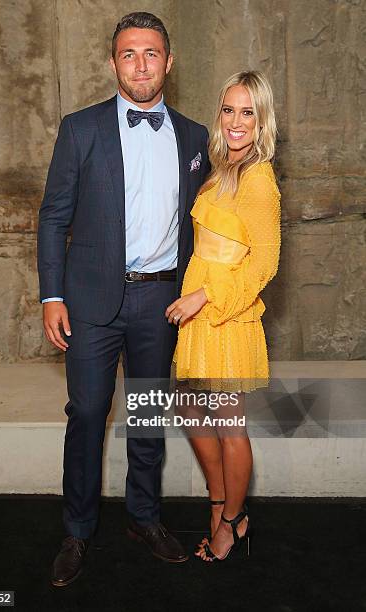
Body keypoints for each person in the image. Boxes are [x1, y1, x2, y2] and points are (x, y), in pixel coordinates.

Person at [37, 12, 210, 586]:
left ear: (169, 61)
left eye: (152, 53)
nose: (141, 64)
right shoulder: (79, 128)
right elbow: (54, 215)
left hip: (160, 302)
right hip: (88, 302)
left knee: (147, 415)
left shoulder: (193, 137)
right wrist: (52, 295)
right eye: (130, 54)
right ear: (114, 64)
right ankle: (78, 530)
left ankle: (144, 517)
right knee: (87, 414)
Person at [165, 71, 281, 561]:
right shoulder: (217, 169)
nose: (236, 121)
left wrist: (204, 297)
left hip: (225, 314)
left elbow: (264, 265)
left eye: (247, 112)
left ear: (261, 122)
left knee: (230, 423)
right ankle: (219, 502)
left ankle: (233, 521)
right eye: (229, 110)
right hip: (197, 314)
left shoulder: (259, 181)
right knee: (191, 410)